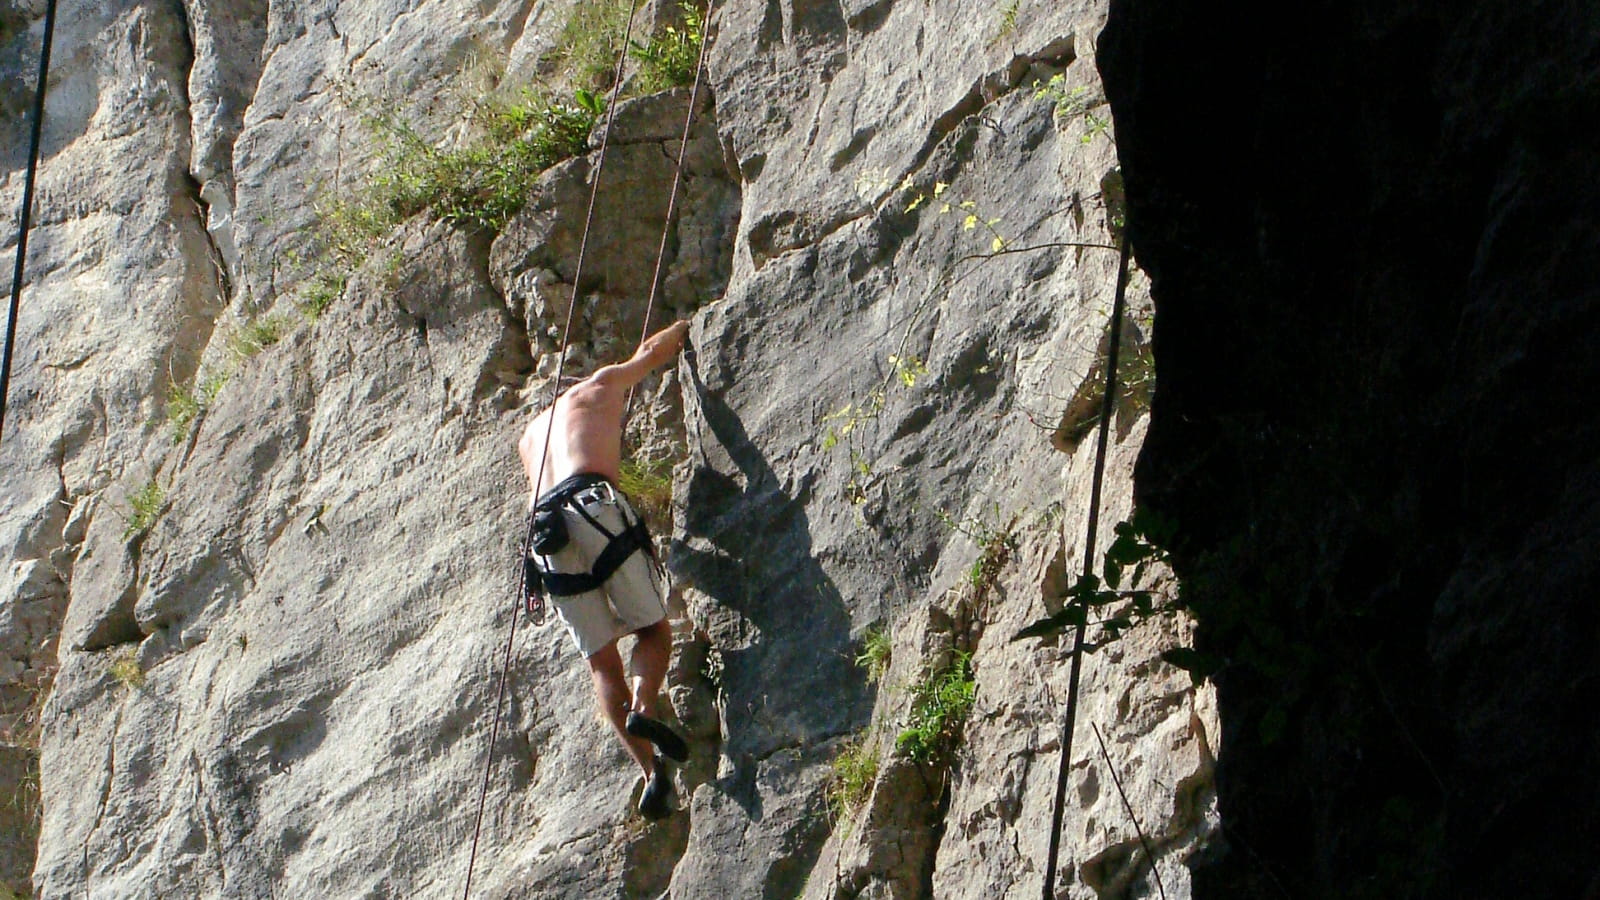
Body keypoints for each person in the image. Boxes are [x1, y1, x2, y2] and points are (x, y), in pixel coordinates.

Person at [517, 319, 692, 820]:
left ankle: (651, 773)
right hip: (591, 503)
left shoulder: (528, 437)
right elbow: (651, 353)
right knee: (654, 631)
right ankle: (643, 709)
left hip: (545, 537)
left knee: (602, 662)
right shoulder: (598, 386)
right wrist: (681, 329)